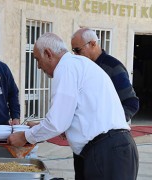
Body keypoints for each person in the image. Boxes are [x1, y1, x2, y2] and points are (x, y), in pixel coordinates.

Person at [7, 32, 139, 180]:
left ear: (48, 53)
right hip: (114, 150)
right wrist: (40, 126)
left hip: (107, 152)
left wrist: (25, 137)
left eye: (38, 59)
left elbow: (57, 123)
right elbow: (73, 114)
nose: (38, 66)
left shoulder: (66, 67)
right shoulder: (79, 64)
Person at [71, 28, 140, 179]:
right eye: (73, 51)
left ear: (93, 44)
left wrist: (108, 122)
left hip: (108, 147)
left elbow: (131, 103)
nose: (75, 55)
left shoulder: (113, 67)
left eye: (77, 50)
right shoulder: (81, 69)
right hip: (84, 148)